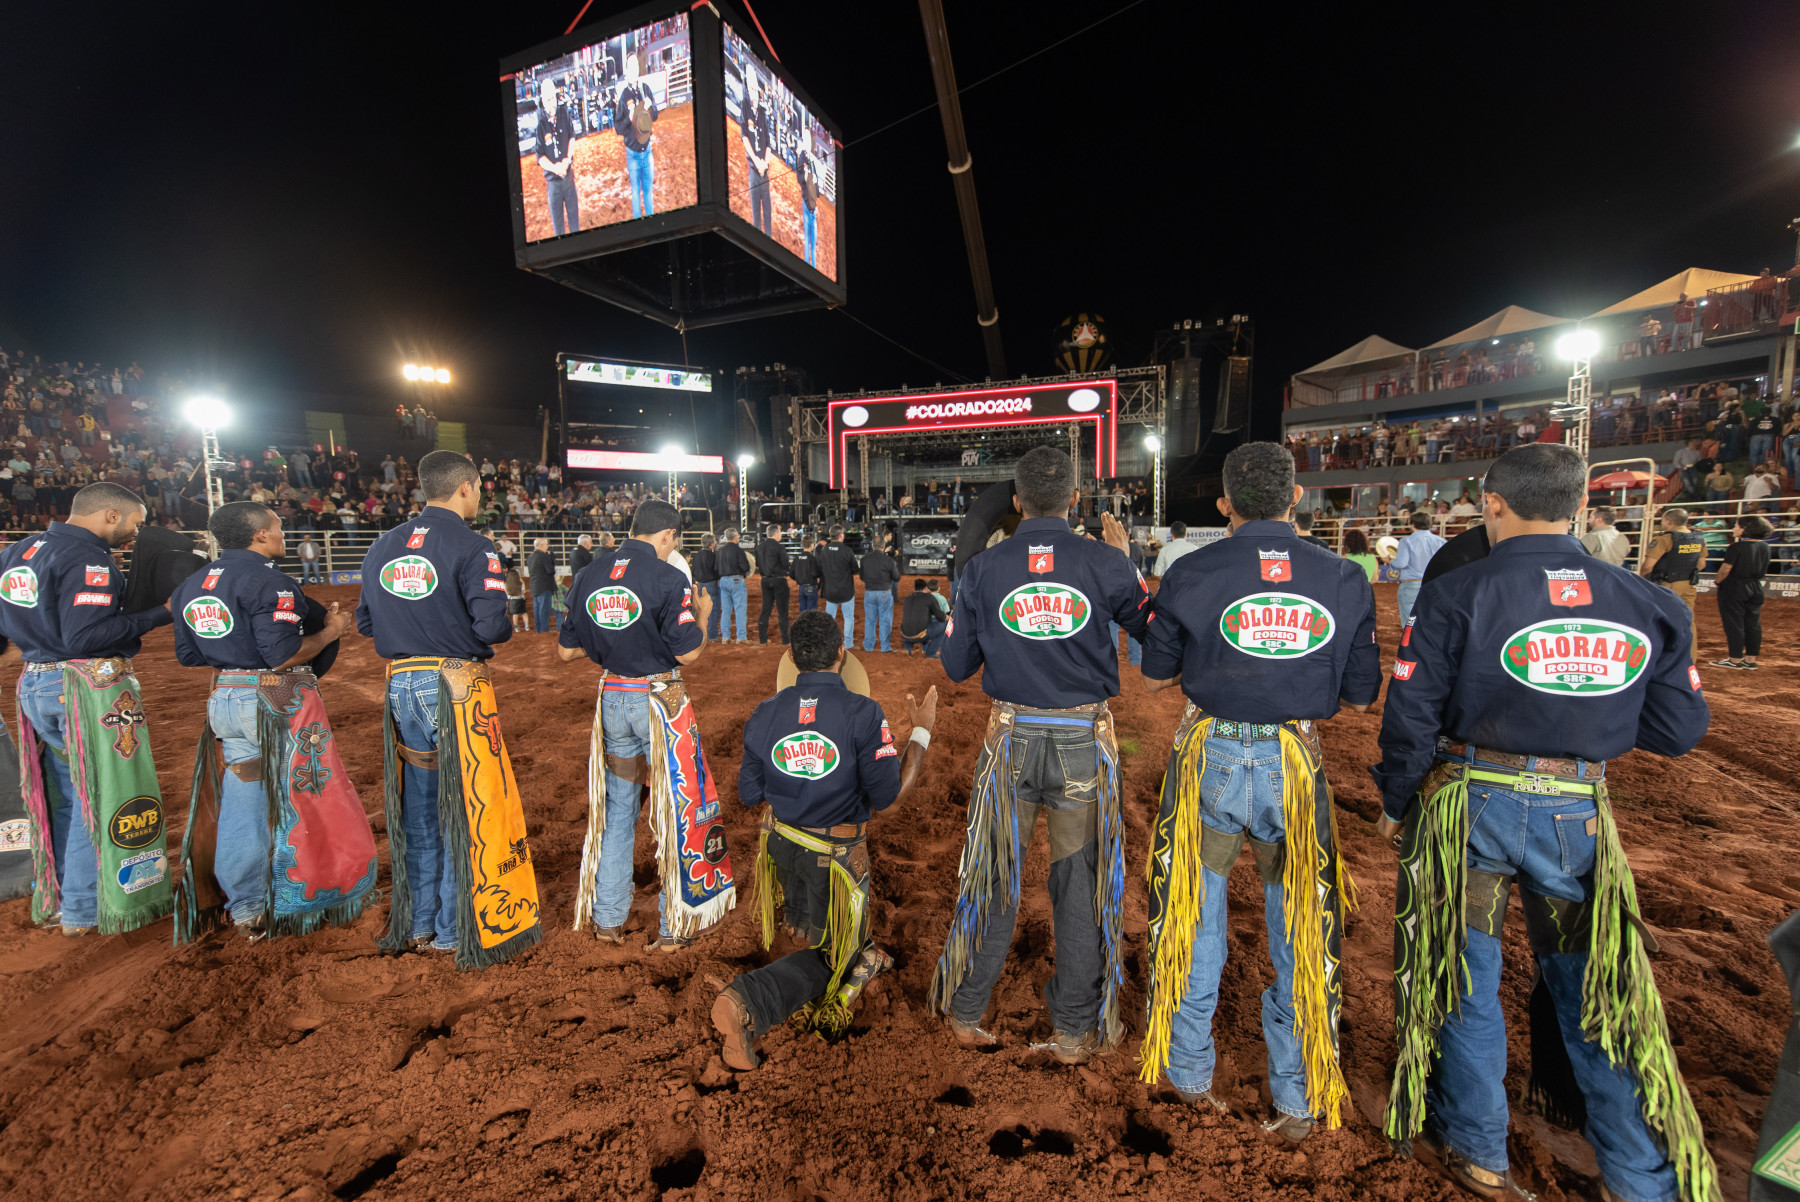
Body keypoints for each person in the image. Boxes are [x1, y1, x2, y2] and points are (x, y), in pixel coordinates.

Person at [1374, 443, 1715, 1202]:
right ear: (1578, 505)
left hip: (1473, 801)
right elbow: (1678, 729)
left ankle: (1478, 1150)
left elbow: (1411, 717)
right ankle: (1638, 1176)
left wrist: (1399, 801)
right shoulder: (1651, 602)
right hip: (1577, 814)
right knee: (1595, 988)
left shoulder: (1458, 592)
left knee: (1464, 980)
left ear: (1492, 503)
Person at [1137, 441, 1378, 1141]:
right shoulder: (1344, 575)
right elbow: (1362, 697)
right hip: (1293, 763)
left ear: (1224, 506)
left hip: (1209, 753)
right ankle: (1296, 1097)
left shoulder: (1191, 569)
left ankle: (1187, 1076)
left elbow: (1154, 678)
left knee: (1193, 918)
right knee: (1301, 929)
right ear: (1297, 498)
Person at [930, 446, 1148, 1063]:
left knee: (994, 872)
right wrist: (1123, 567)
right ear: (1075, 500)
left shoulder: (983, 568)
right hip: (1083, 741)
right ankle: (1077, 1028)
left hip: (1009, 740)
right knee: (1078, 884)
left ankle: (969, 1008)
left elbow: (954, 666)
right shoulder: (1105, 562)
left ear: (1018, 503)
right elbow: (1154, 636)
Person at [711, 611, 936, 1067]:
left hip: (780, 847)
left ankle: (807, 947)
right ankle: (750, 1001)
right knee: (839, 961)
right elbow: (887, 800)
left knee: (810, 926)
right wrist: (922, 732)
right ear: (841, 653)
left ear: (792, 657)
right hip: (833, 859)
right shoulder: (864, 713)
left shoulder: (764, 713)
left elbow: (750, 793)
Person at [355, 451, 541, 968]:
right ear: (467, 487)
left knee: (419, 808)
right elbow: (491, 628)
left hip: (400, 684)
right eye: (479, 489)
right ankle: (453, 929)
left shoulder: (382, 545)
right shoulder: (475, 547)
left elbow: (367, 623)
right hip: (455, 686)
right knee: (468, 808)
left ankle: (417, 923)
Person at [169, 502, 371, 941]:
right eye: (279, 529)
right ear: (260, 535)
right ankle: (307, 891)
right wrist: (332, 629)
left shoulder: (191, 585)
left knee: (243, 794)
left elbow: (188, 655)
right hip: (271, 700)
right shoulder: (270, 581)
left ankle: (246, 905)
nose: (284, 536)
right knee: (308, 788)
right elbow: (283, 655)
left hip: (224, 696)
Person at [0, 482, 175, 936]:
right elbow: (85, 639)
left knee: (60, 792)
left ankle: (58, 898)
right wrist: (162, 612)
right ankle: (82, 908)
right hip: (77, 685)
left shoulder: (20, 549)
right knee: (92, 795)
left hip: (34, 682)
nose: (135, 533)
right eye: (134, 522)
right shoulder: (89, 559)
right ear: (110, 516)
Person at [559, 499, 729, 951]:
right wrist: (705, 615)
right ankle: (674, 926)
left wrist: (614, 639)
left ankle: (607, 919)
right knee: (675, 810)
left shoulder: (588, 576)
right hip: (659, 701)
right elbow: (690, 653)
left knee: (617, 811)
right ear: (669, 536)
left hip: (612, 696)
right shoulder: (670, 577)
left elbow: (567, 651)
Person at [1639, 507, 1706, 661]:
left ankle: (1659, 658)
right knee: (1688, 621)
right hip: (1689, 584)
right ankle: (1690, 658)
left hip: (1667, 585)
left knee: (1660, 621)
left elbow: (1648, 566)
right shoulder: (1699, 538)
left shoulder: (1664, 539)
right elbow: (1701, 565)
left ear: (1669, 522)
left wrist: (1645, 580)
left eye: (1662, 520)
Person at [1713, 514, 1772, 669]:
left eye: (1737, 526)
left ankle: (1735, 659)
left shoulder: (1736, 547)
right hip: (1755, 587)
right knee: (1752, 623)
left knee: (1734, 623)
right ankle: (1750, 659)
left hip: (1734, 586)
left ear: (1745, 528)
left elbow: (1725, 569)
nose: (1734, 528)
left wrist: (1718, 581)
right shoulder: (1765, 546)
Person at [613, 52, 657, 219]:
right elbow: (618, 127)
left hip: (647, 151)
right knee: (635, 192)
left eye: (636, 65)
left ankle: (651, 223)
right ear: (627, 70)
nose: (634, 69)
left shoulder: (646, 89)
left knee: (648, 192)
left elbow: (656, 115)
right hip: (632, 153)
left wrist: (650, 108)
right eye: (630, 66)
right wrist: (629, 119)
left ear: (638, 68)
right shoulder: (624, 95)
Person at [536, 76, 579, 236]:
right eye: (547, 99)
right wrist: (555, 168)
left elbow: (572, 137)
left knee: (575, 223)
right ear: (542, 100)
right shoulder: (540, 124)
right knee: (558, 230)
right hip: (553, 185)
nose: (551, 102)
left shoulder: (564, 113)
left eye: (552, 98)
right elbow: (540, 156)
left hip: (568, 179)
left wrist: (567, 160)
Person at [1393, 510, 1446, 625]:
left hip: (1411, 585)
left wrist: (1391, 561)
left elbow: (1401, 563)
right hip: (1434, 585)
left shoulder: (1406, 541)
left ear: (1412, 525)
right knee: (1431, 621)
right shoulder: (1441, 541)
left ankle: (1411, 642)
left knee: (1410, 623)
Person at [741, 72, 773, 237]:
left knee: (767, 212)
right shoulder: (745, 107)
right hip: (754, 171)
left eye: (755, 88)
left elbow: (768, 143)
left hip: (764, 171)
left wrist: (765, 163)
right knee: (756, 216)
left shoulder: (762, 112)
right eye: (751, 88)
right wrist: (757, 162)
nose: (754, 92)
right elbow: (745, 137)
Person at [816, 526, 859, 649]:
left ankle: (828, 643)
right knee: (848, 617)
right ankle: (848, 644)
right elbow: (855, 569)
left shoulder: (824, 550)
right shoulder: (847, 550)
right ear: (840, 536)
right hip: (846, 590)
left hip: (830, 590)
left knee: (829, 618)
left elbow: (820, 566)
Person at [859, 534, 899, 653]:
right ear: (883, 546)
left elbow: (862, 577)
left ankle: (869, 646)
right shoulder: (889, 560)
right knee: (885, 620)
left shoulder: (864, 559)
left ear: (872, 545)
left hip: (870, 592)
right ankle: (885, 646)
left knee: (870, 620)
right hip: (884, 593)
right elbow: (897, 577)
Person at [755, 522, 792, 645]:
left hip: (765, 580)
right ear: (775, 533)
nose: (781, 535)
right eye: (780, 532)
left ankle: (763, 639)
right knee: (782, 611)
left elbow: (757, 564)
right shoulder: (779, 547)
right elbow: (785, 563)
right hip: (779, 580)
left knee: (766, 609)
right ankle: (786, 640)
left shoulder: (760, 547)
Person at [716, 528, 751, 644]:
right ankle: (741, 637)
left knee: (725, 610)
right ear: (736, 537)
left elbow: (716, 568)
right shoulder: (738, 550)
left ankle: (725, 637)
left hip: (723, 581)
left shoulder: (720, 551)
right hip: (736, 580)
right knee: (740, 609)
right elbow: (745, 567)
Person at [898, 577, 947, 658]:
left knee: (914, 623)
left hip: (904, 634)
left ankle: (907, 648)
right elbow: (940, 617)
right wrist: (947, 617)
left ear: (914, 588)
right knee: (945, 625)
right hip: (921, 635)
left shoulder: (907, 599)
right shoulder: (929, 597)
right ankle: (931, 653)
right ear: (926, 588)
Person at [796, 127, 820, 268]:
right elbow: (799, 177)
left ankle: (814, 267)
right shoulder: (802, 157)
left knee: (813, 240)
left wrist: (815, 183)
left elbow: (815, 182)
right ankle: (807, 265)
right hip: (807, 202)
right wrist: (806, 178)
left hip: (813, 205)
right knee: (807, 237)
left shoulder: (810, 160)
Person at [692, 534, 722, 640]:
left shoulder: (696, 555)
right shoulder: (714, 556)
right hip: (712, 584)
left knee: (702, 611)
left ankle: (702, 634)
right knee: (714, 610)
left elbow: (693, 571)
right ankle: (712, 636)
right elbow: (718, 570)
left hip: (701, 585)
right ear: (711, 544)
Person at [525, 537, 556, 634]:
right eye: (546, 544)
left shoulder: (530, 556)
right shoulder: (543, 556)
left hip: (534, 585)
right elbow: (550, 570)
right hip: (544, 585)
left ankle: (538, 629)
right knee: (544, 609)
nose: (547, 547)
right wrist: (551, 559)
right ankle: (544, 629)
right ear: (542, 545)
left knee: (537, 609)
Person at [792, 532, 821, 613]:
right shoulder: (812, 558)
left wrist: (799, 578)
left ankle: (802, 626)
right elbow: (815, 573)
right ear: (812, 545)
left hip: (801, 587)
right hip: (811, 587)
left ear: (802, 545)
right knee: (812, 612)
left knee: (802, 612)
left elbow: (791, 573)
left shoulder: (797, 558)